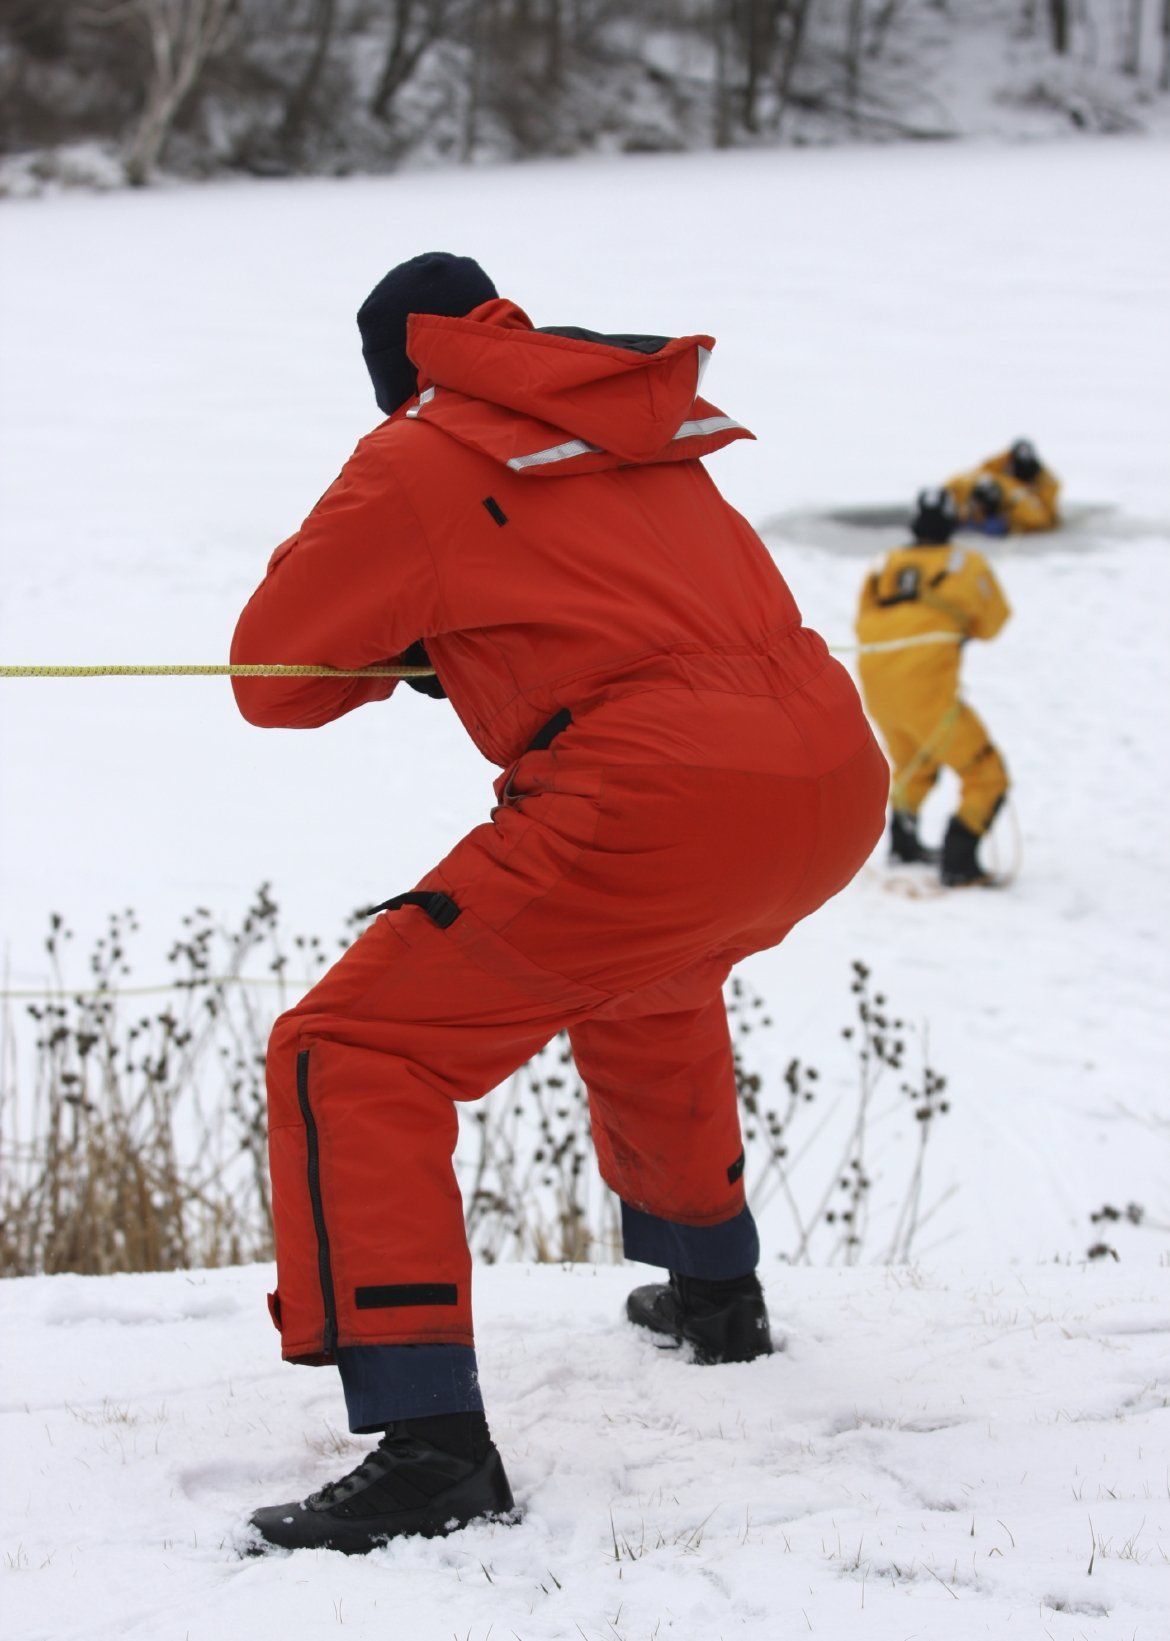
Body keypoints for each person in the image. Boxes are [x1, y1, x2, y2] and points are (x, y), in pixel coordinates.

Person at [230, 251, 888, 1554]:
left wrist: (411, 651)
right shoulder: (637, 424)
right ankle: (716, 1294)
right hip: (829, 768)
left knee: (350, 1048)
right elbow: (610, 594)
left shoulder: (416, 453)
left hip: (655, 792)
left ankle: (431, 1446)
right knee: (645, 969)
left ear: (392, 368)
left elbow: (275, 672)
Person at [855, 487, 1011, 886]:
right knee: (985, 773)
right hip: (926, 691)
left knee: (913, 765)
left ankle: (904, 845)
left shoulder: (883, 564)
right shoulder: (967, 563)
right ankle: (959, 860)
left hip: (877, 687)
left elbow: (863, 618)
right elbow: (994, 622)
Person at [947, 437, 1061, 533]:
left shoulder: (1024, 497)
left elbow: (1043, 520)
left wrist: (1009, 523)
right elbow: (948, 487)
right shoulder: (968, 483)